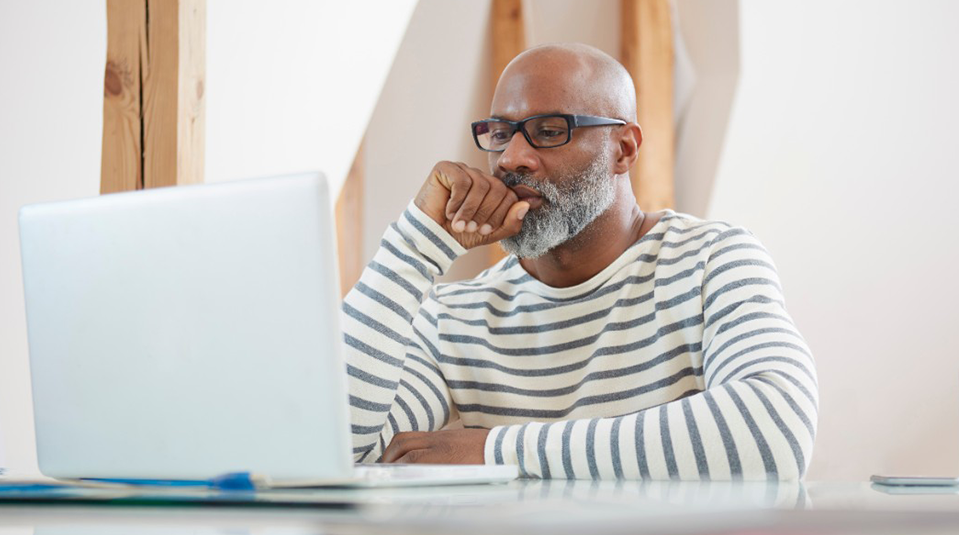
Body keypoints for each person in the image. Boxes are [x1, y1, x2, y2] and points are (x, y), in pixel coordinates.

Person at [341, 43, 816, 480]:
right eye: (501, 133)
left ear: (624, 149)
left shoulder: (713, 260)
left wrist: (495, 451)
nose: (512, 158)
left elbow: (773, 430)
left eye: (549, 131)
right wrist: (414, 246)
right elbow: (338, 454)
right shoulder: (452, 319)